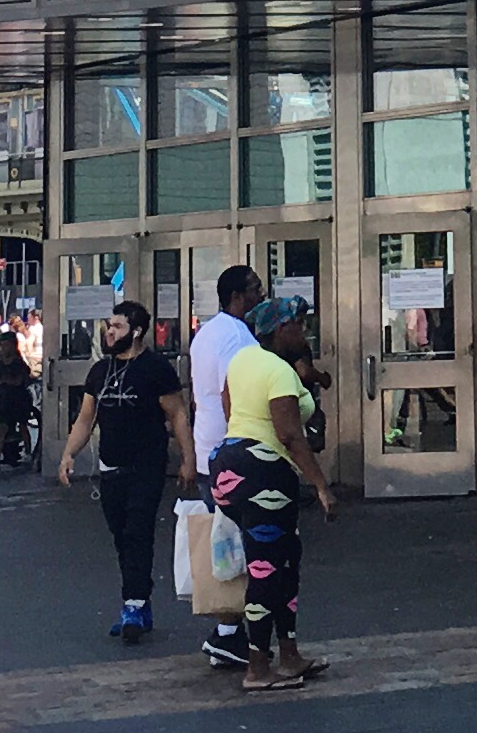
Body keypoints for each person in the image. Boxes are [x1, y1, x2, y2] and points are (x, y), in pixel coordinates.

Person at [209, 294, 331, 695]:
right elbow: (289, 434)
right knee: (266, 568)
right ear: (282, 329)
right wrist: (320, 484)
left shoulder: (242, 360)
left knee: (284, 559)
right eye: (298, 324)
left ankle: (290, 653)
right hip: (265, 475)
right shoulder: (278, 370)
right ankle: (258, 665)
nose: (303, 332)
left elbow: (230, 406)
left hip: (231, 463)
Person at [62, 296, 191, 641]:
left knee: (138, 531)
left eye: (117, 326)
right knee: (122, 536)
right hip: (111, 467)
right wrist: (68, 454)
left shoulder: (155, 369)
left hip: (146, 465)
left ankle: (133, 603)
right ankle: (140, 599)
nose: (109, 331)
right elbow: (86, 418)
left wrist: (188, 458)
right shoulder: (100, 371)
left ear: (135, 332)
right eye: (108, 325)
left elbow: (177, 414)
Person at [185, 267, 261, 669]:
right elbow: (236, 391)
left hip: (207, 449)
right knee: (240, 543)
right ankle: (229, 631)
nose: (260, 294)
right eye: (255, 288)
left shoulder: (206, 334)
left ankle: (230, 632)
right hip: (229, 451)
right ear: (237, 295)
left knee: (227, 541)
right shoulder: (235, 336)